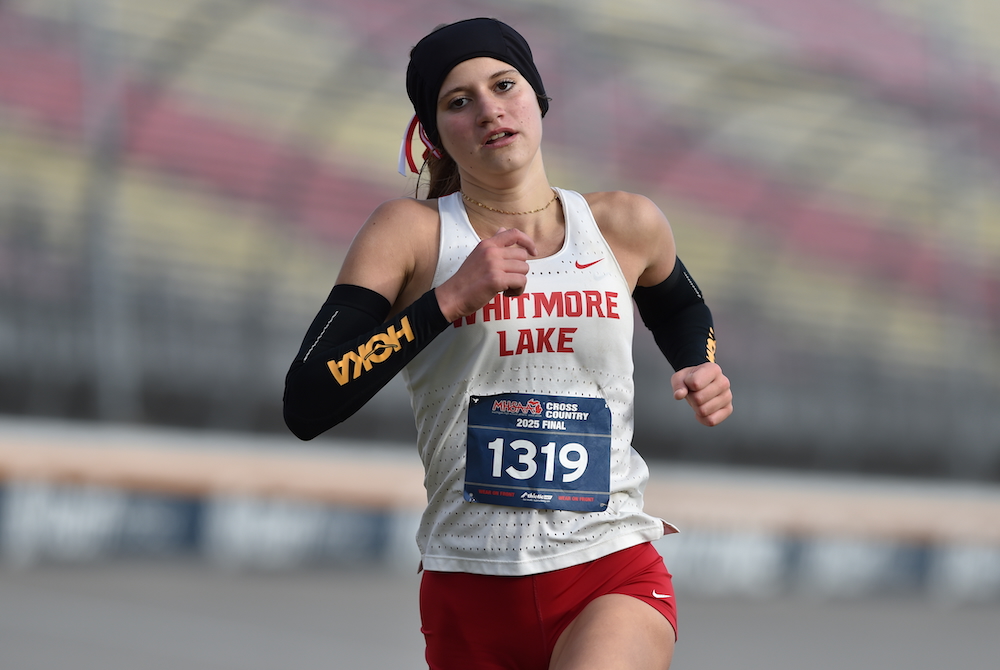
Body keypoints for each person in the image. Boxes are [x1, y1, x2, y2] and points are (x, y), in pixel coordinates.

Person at [283, 17, 733, 670]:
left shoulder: (623, 223)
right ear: (434, 137)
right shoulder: (410, 235)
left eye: (504, 85)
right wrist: (447, 300)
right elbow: (309, 398)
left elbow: (682, 305)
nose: (489, 109)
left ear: (537, 97)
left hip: (606, 565)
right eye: (458, 102)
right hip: (468, 585)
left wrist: (701, 363)